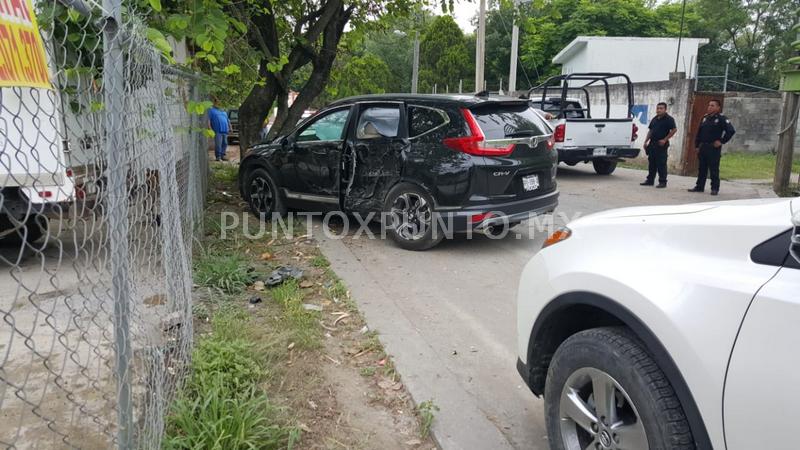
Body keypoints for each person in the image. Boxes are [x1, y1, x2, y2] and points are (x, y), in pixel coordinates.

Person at [688, 99, 735, 195]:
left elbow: (731, 131)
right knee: (702, 168)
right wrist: (697, 145)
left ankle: (714, 188)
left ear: (718, 107)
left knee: (713, 169)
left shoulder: (721, 118)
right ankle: (699, 186)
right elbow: (699, 133)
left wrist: (721, 141)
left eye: (712, 105)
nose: (709, 107)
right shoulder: (705, 118)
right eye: (709, 105)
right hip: (703, 147)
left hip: (713, 148)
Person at [641, 102, 677, 188]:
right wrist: (646, 141)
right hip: (652, 143)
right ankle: (650, 180)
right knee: (652, 163)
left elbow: (674, 130)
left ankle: (662, 182)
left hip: (661, 144)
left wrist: (665, 139)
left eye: (661, 108)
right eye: (658, 108)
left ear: (665, 109)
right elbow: (651, 131)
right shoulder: (654, 119)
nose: (659, 110)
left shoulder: (669, 119)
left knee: (661, 163)